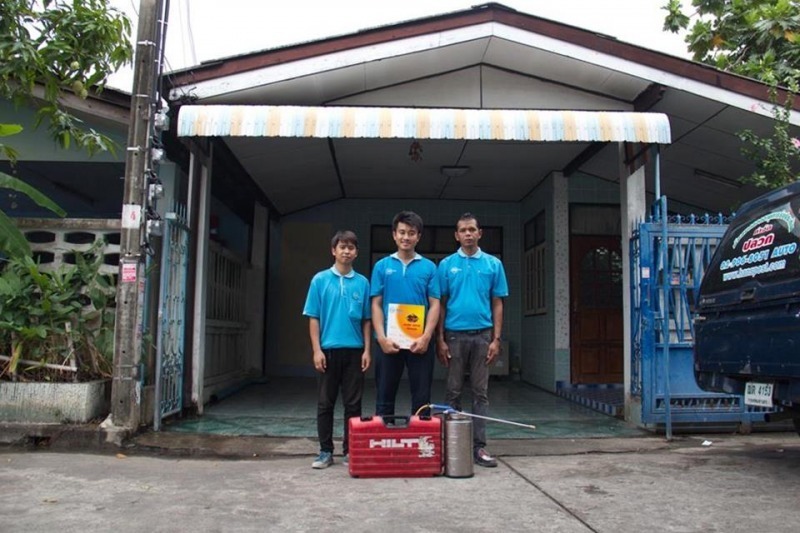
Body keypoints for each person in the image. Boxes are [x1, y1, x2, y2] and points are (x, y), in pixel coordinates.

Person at [436, 213, 508, 468]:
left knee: (480, 392)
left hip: (482, 336)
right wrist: (440, 339)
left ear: (480, 233)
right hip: (454, 336)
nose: (468, 234)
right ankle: (451, 445)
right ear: (456, 235)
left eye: (472, 230)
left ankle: (479, 447)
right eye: (463, 230)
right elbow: (441, 303)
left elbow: (497, 302)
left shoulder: (493, 264)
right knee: (453, 391)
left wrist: (496, 339)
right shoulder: (446, 265)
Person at [302, 230, 371, 469]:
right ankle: (325, 451)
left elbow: (366, 320)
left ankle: (351, 450)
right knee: (325, 403)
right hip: (328, 351)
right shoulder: (320, 280)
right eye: (342, 247)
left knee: (353, 405)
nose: (346, 251)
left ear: (356, 252)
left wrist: (367, 350)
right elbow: (313, 317)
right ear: (334, 250)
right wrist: (316, 350)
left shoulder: (362, 283)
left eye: (351, 247)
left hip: (354, 352)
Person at [371, 211, 440, 418]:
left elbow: (435, 304)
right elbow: (376, 304)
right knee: (384, 397)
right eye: (402, 232)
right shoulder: (382, 266)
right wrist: (381, 338)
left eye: (411, 233)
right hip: (388, 341)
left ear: (418, 236)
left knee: (421, 400)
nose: (406, 237)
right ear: (394, 234)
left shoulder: (429, 267)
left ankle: (421, 437)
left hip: (420, 342)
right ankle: (385, 435)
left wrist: (426, 337)